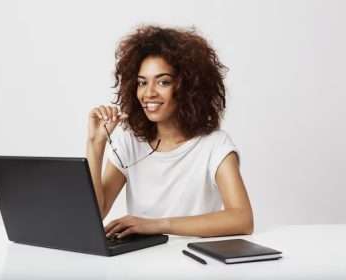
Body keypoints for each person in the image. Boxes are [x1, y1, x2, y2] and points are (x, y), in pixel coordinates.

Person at [86, 25, 253, 239]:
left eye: (163, 82)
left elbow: (242, 219)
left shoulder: (215, 145)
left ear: (187, 87)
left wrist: (157, 225)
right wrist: (95, 144)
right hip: (141, 264)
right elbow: (96, 212)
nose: (148, 93)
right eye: (142, 83)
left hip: (194, 264)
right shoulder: (129, 141)